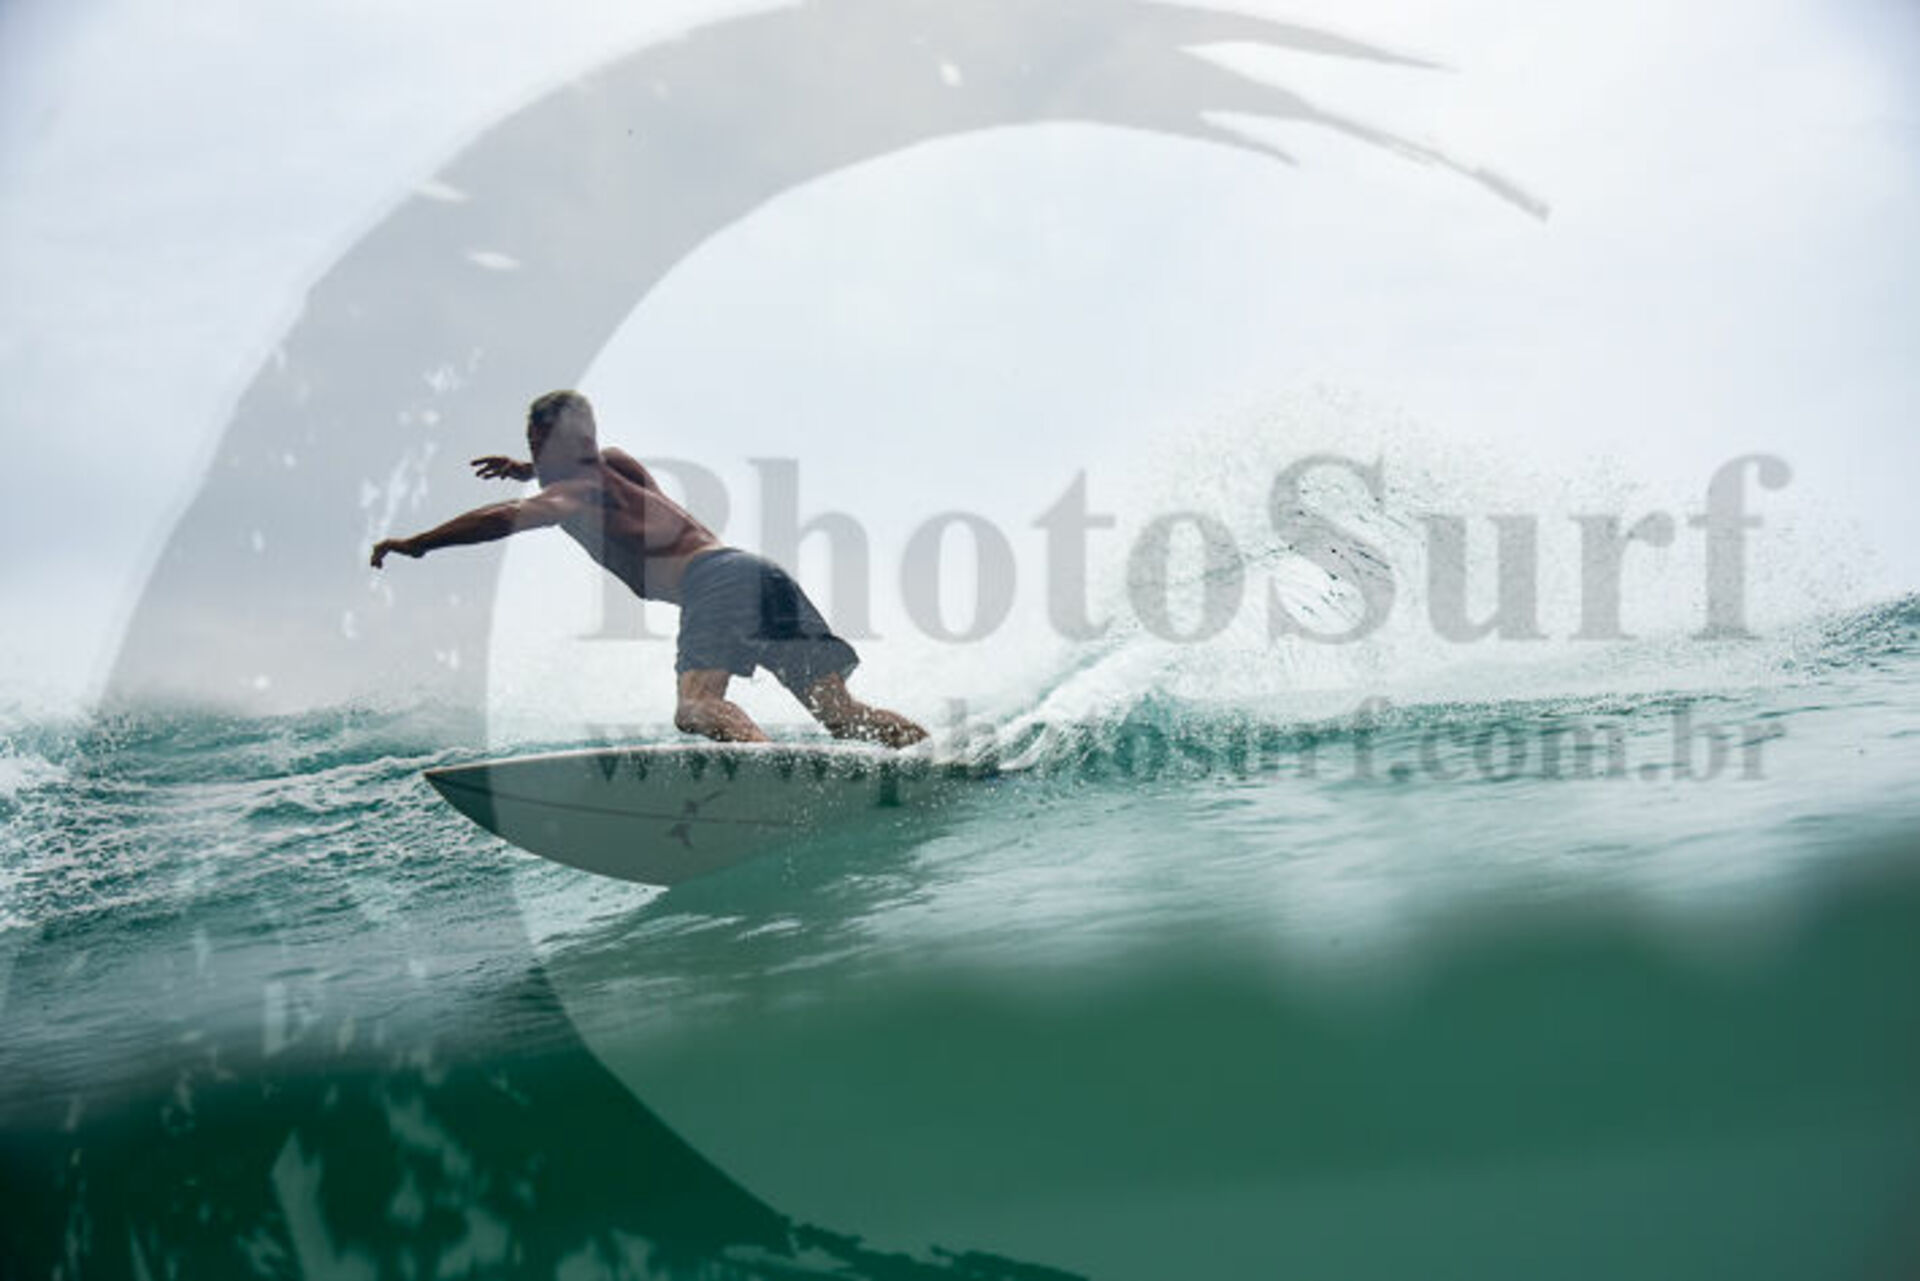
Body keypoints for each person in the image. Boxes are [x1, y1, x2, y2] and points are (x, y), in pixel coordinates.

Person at [371, 390, 927, 748]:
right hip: (762, 574)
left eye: (538, 445)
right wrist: (529, 466)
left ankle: (774, 769)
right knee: (840, 713)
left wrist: (419, 544)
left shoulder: (572, 495)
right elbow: (589, 460)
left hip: (716, 582)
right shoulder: (617, 465)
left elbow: (502, 518)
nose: (536, 459)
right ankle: (933, 753)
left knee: (696, 706)